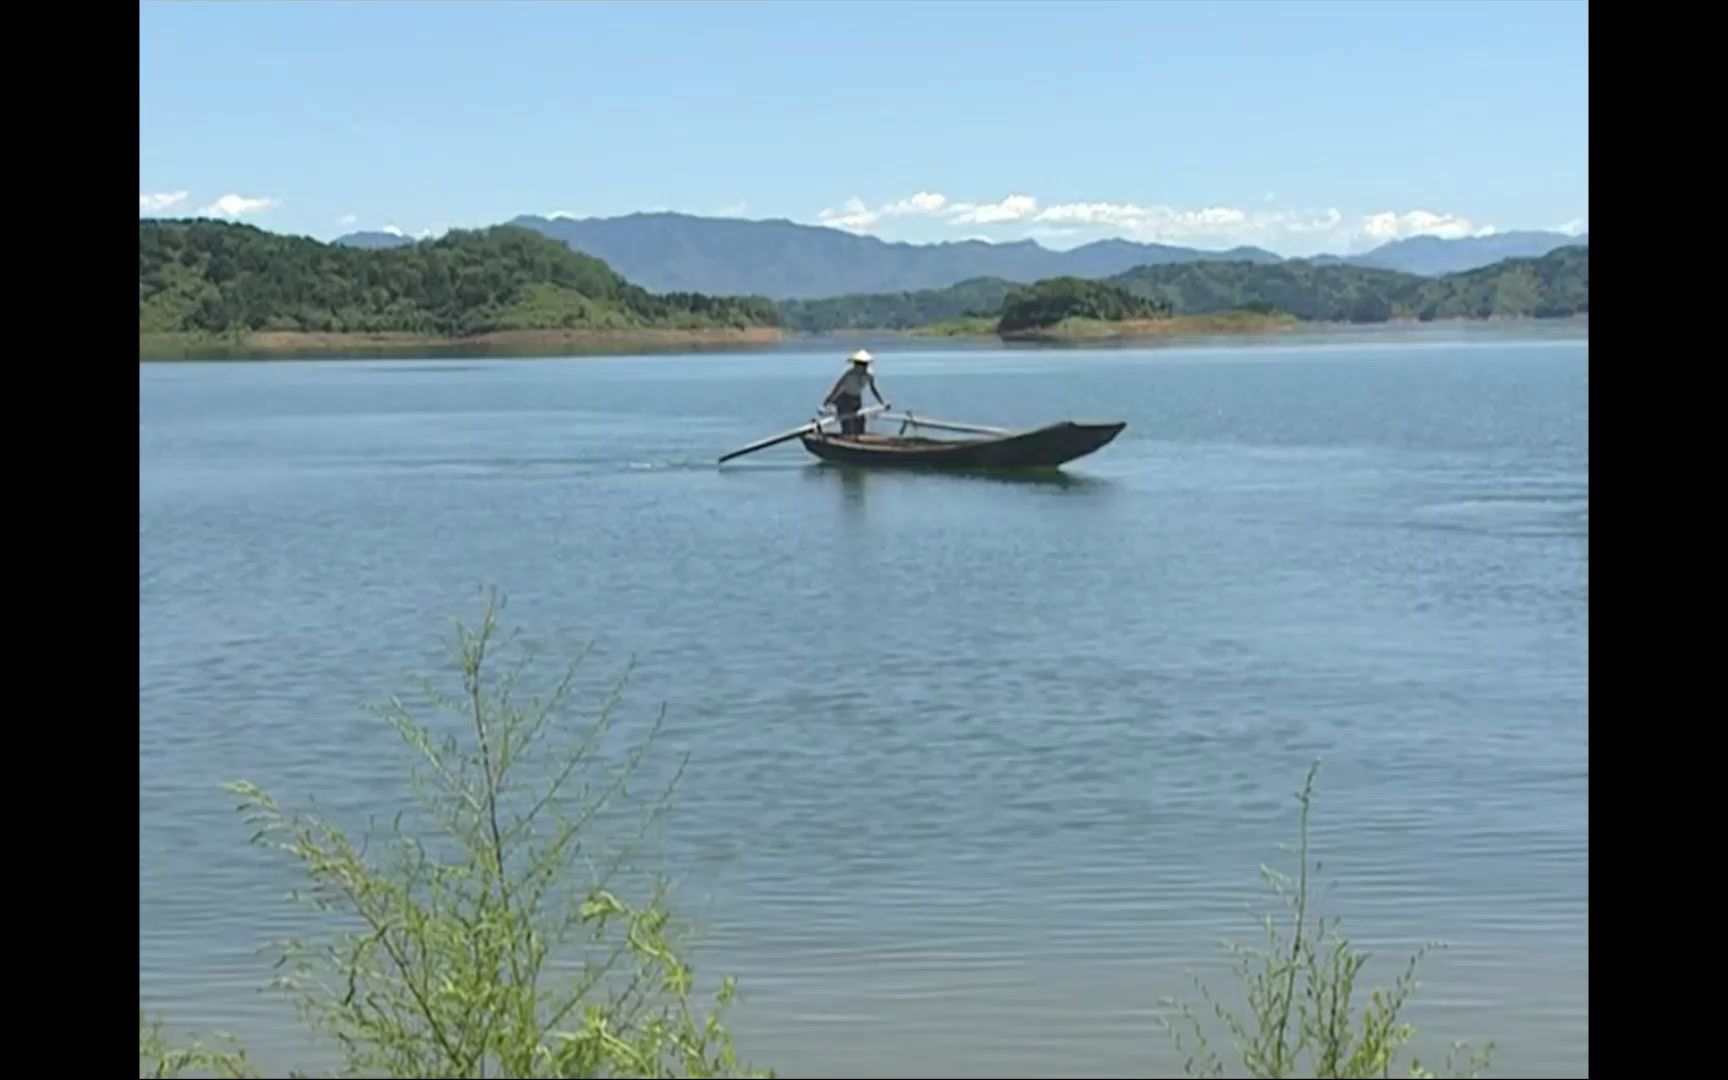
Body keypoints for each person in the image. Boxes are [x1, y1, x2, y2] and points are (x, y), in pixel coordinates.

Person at [823, 349, 887, 436]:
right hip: (843, 399)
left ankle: (860, 439)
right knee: (846, 421)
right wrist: (827, 402)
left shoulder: (869, 375)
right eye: (858, 364)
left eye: (864, 364)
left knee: (860, 420)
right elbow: (837, 388)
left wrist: (882, 402)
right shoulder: (849, 374)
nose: (860, 367)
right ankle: (846, 439)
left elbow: (873, 389)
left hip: (856, 398)